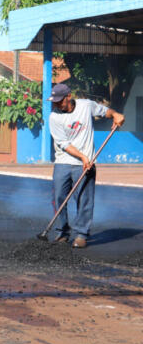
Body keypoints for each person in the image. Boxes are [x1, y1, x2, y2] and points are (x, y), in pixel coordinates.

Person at [47, 83, 124, 248]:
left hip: (86, 163)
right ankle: (62, 232)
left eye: (59, 101)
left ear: (69, 97)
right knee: (58, 197)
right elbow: (64, 144)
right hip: (64, 161)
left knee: (84, 199)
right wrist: (82, 157)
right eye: (54, 101)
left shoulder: (86, 105)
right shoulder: (54, 117)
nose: (56, 104)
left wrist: (116, 114)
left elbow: (105, 112)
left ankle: (81, 234)